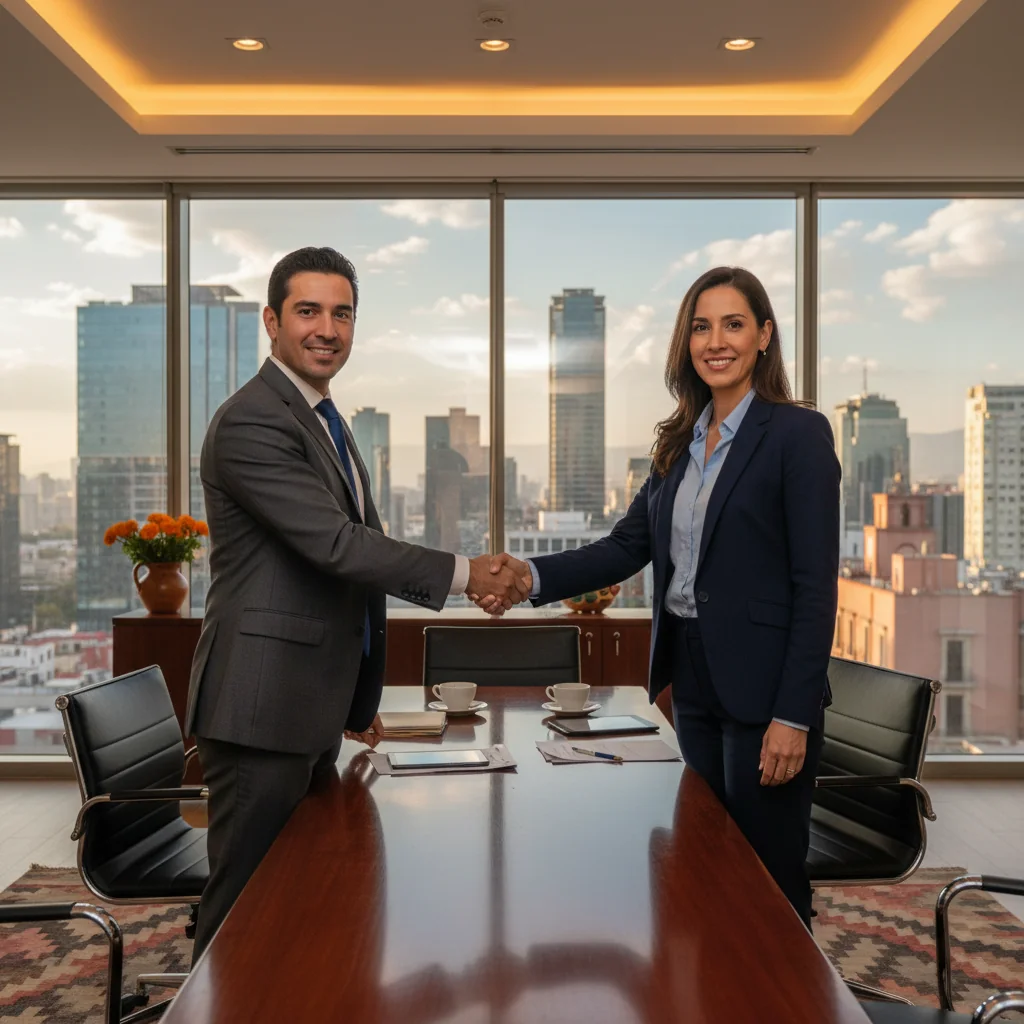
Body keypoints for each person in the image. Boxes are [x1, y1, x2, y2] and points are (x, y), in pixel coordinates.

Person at [184, 246, 528, 962]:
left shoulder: (322, 419)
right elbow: (338, 548)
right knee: (244, 906)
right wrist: (470, 575)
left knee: (300, 892)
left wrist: (352, 697)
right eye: (308, 311)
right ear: (272, 321)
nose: (327, 329)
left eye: (342, 313)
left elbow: (351, 564)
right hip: (259, 709)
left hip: (302, 705)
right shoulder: (254, 420)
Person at [479, 266, 840, 927]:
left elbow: (815, 588)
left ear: (764, 336)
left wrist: (794, 715)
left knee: (768, 876)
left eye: (734, 324)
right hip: (692, 680)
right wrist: (529, 576)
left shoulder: (796, 435)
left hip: (764, 691)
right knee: (706, 855)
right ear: (686, 342)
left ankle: (785, 997)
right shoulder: (678, 442)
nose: (716, 341)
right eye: (701, 326)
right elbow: (625, 548)